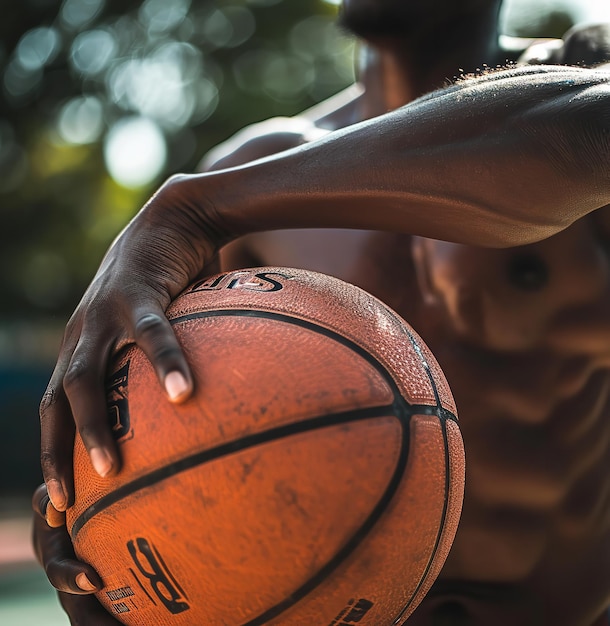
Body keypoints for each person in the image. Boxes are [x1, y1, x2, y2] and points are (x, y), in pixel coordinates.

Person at [32, 0, 610, 624]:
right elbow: (152, 425)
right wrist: (95, 520)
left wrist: (193, 207)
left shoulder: (581, 79)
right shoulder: (254, 170)